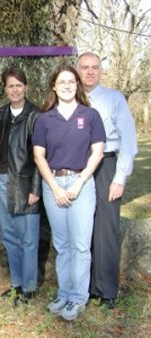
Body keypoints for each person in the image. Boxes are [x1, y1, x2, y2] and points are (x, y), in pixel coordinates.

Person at [32, 65, 105, 321]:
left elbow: (97, 152)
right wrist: (54, 187)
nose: (66, 85)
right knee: (62, 245)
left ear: (77, 85)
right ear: (53, 85)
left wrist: (78, 183)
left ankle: (77, 299)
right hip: (53, 185)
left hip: (81, 185)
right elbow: (38, 156)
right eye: (61, 81)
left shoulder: (91, 115)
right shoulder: (45, 119)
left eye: (71, 81)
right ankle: (64, 293)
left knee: (80, 246)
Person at [76, 52, 138, 308]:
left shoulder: (114, 99)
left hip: (106, 165)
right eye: (85, 67)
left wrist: (119, 177)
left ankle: (107, 290)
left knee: (106, 228)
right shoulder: (71, 97)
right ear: (77, 70)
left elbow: (130, 141)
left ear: (101, 71)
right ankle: (86, 286)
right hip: (78, 165)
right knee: (82, 227)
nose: (90, 72)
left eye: (95, 68)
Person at [0, 68, 41, 305]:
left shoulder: (35, 115)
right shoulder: (0, 114)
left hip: (25, 183)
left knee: (28, 238)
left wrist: (36, 187)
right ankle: (16, 283)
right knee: (10, 237)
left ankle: (29, 287)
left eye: (19, 85)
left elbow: (41, 156)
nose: (14, 90)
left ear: (25, 87)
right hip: (3, 182)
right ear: (5, 88)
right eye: (10, 85)